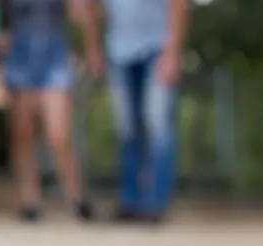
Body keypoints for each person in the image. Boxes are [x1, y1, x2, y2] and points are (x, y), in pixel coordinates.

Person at [80, 0, 190, 223]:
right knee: (126, 129)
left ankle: (156, 202)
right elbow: (88, 5)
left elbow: (179, 5)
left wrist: (173, 52)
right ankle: (130, 200)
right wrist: (93, 49)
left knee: (158, 125)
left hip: (157, 48)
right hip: (118, 51)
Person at [0, 0, 95, 222]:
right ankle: (29, 201)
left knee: (58, 134)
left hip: (55, 57)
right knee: (23, 134)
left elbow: (81, 13)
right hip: (19, 56)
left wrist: (89, 49)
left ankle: (76, 199)